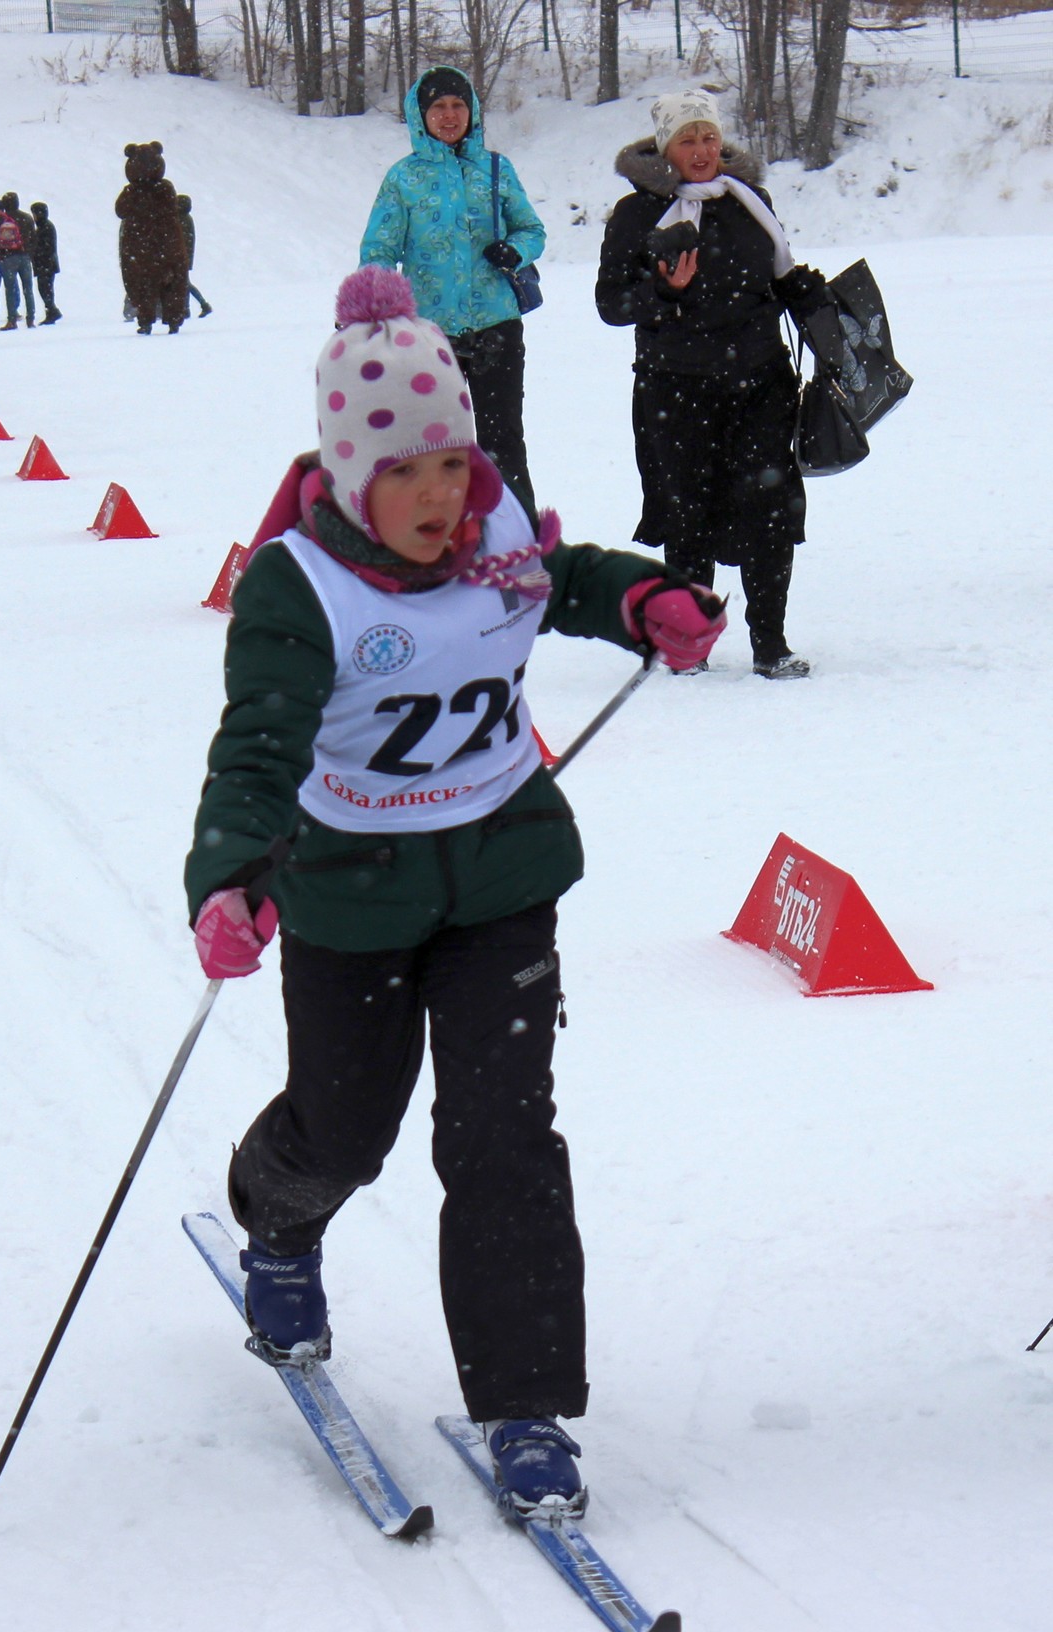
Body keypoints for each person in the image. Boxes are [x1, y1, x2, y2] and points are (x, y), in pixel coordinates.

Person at [182, 267, 725, 1520]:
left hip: (497, 891)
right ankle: (278, 1229)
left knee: (503, 1140)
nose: (439, 496)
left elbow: (568, 577)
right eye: (408, 472)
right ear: (349, 471)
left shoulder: (492, 538)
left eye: (452, 464)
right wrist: (231, 878)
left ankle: (524, 1408)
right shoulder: (295, 585)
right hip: (347, 898)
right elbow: (257, 747)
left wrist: (644, 597)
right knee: (345, 1126)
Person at [596, 89, 829, 679]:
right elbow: (611, 304)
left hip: (760, 381)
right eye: (686, 139)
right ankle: (689, 644)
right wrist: (666, 292)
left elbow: (771, 277)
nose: (701, 150)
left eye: (708, 137)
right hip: (676, 385)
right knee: (688, 514)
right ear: (665, 148)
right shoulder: (637, 214)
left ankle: (770, 644)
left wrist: (804, 293)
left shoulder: (751, 200)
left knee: (769, 509)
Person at [360, 67, 545, 521]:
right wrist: (373, 311)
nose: (449, 115)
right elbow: (379, 251)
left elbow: (532, 229)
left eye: (458, 105)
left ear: (473, 111)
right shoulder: (402, 178)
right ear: (419, 115)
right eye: (438, 106)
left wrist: (515, 250)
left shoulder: (497, 167)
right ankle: (436, 544)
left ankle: (516, 546)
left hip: (496, 325)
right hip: (428, 335)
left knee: (503, 443)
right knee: (430, 445)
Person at [114, 142, 188, 336]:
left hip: (141, 250)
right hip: (166, 245)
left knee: (143, 286)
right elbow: (171, 208)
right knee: (171, 286)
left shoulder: (132, 192)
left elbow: (120, 210)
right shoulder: (165, 189)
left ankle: (146, 320)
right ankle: (173, 320)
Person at [0, 191, 35, 331]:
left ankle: (12, 320)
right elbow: (34, 238)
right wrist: (28, 253)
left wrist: (0, 255)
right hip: (24, 257)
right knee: (28, 288)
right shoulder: (27, 218)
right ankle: (31, 318)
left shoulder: (2, 220)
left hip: (9, 257)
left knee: (10, 289)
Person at [176, 194, 212, 319]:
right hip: (185, 257)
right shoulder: (186, 218)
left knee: (184, 283)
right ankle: (188, 308)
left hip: (180, 257)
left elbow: (180, 240)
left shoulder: (181, 219)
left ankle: (201, 305)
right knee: (184, 282)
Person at [30, 200, 61, 325]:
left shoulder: (46, 227)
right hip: (45, 264)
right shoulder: (43, 227)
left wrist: (36, 253)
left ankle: (52, 310)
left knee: (45, 288)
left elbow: (46, 247)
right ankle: (51, 310)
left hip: (46, 264)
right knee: (44, 288)